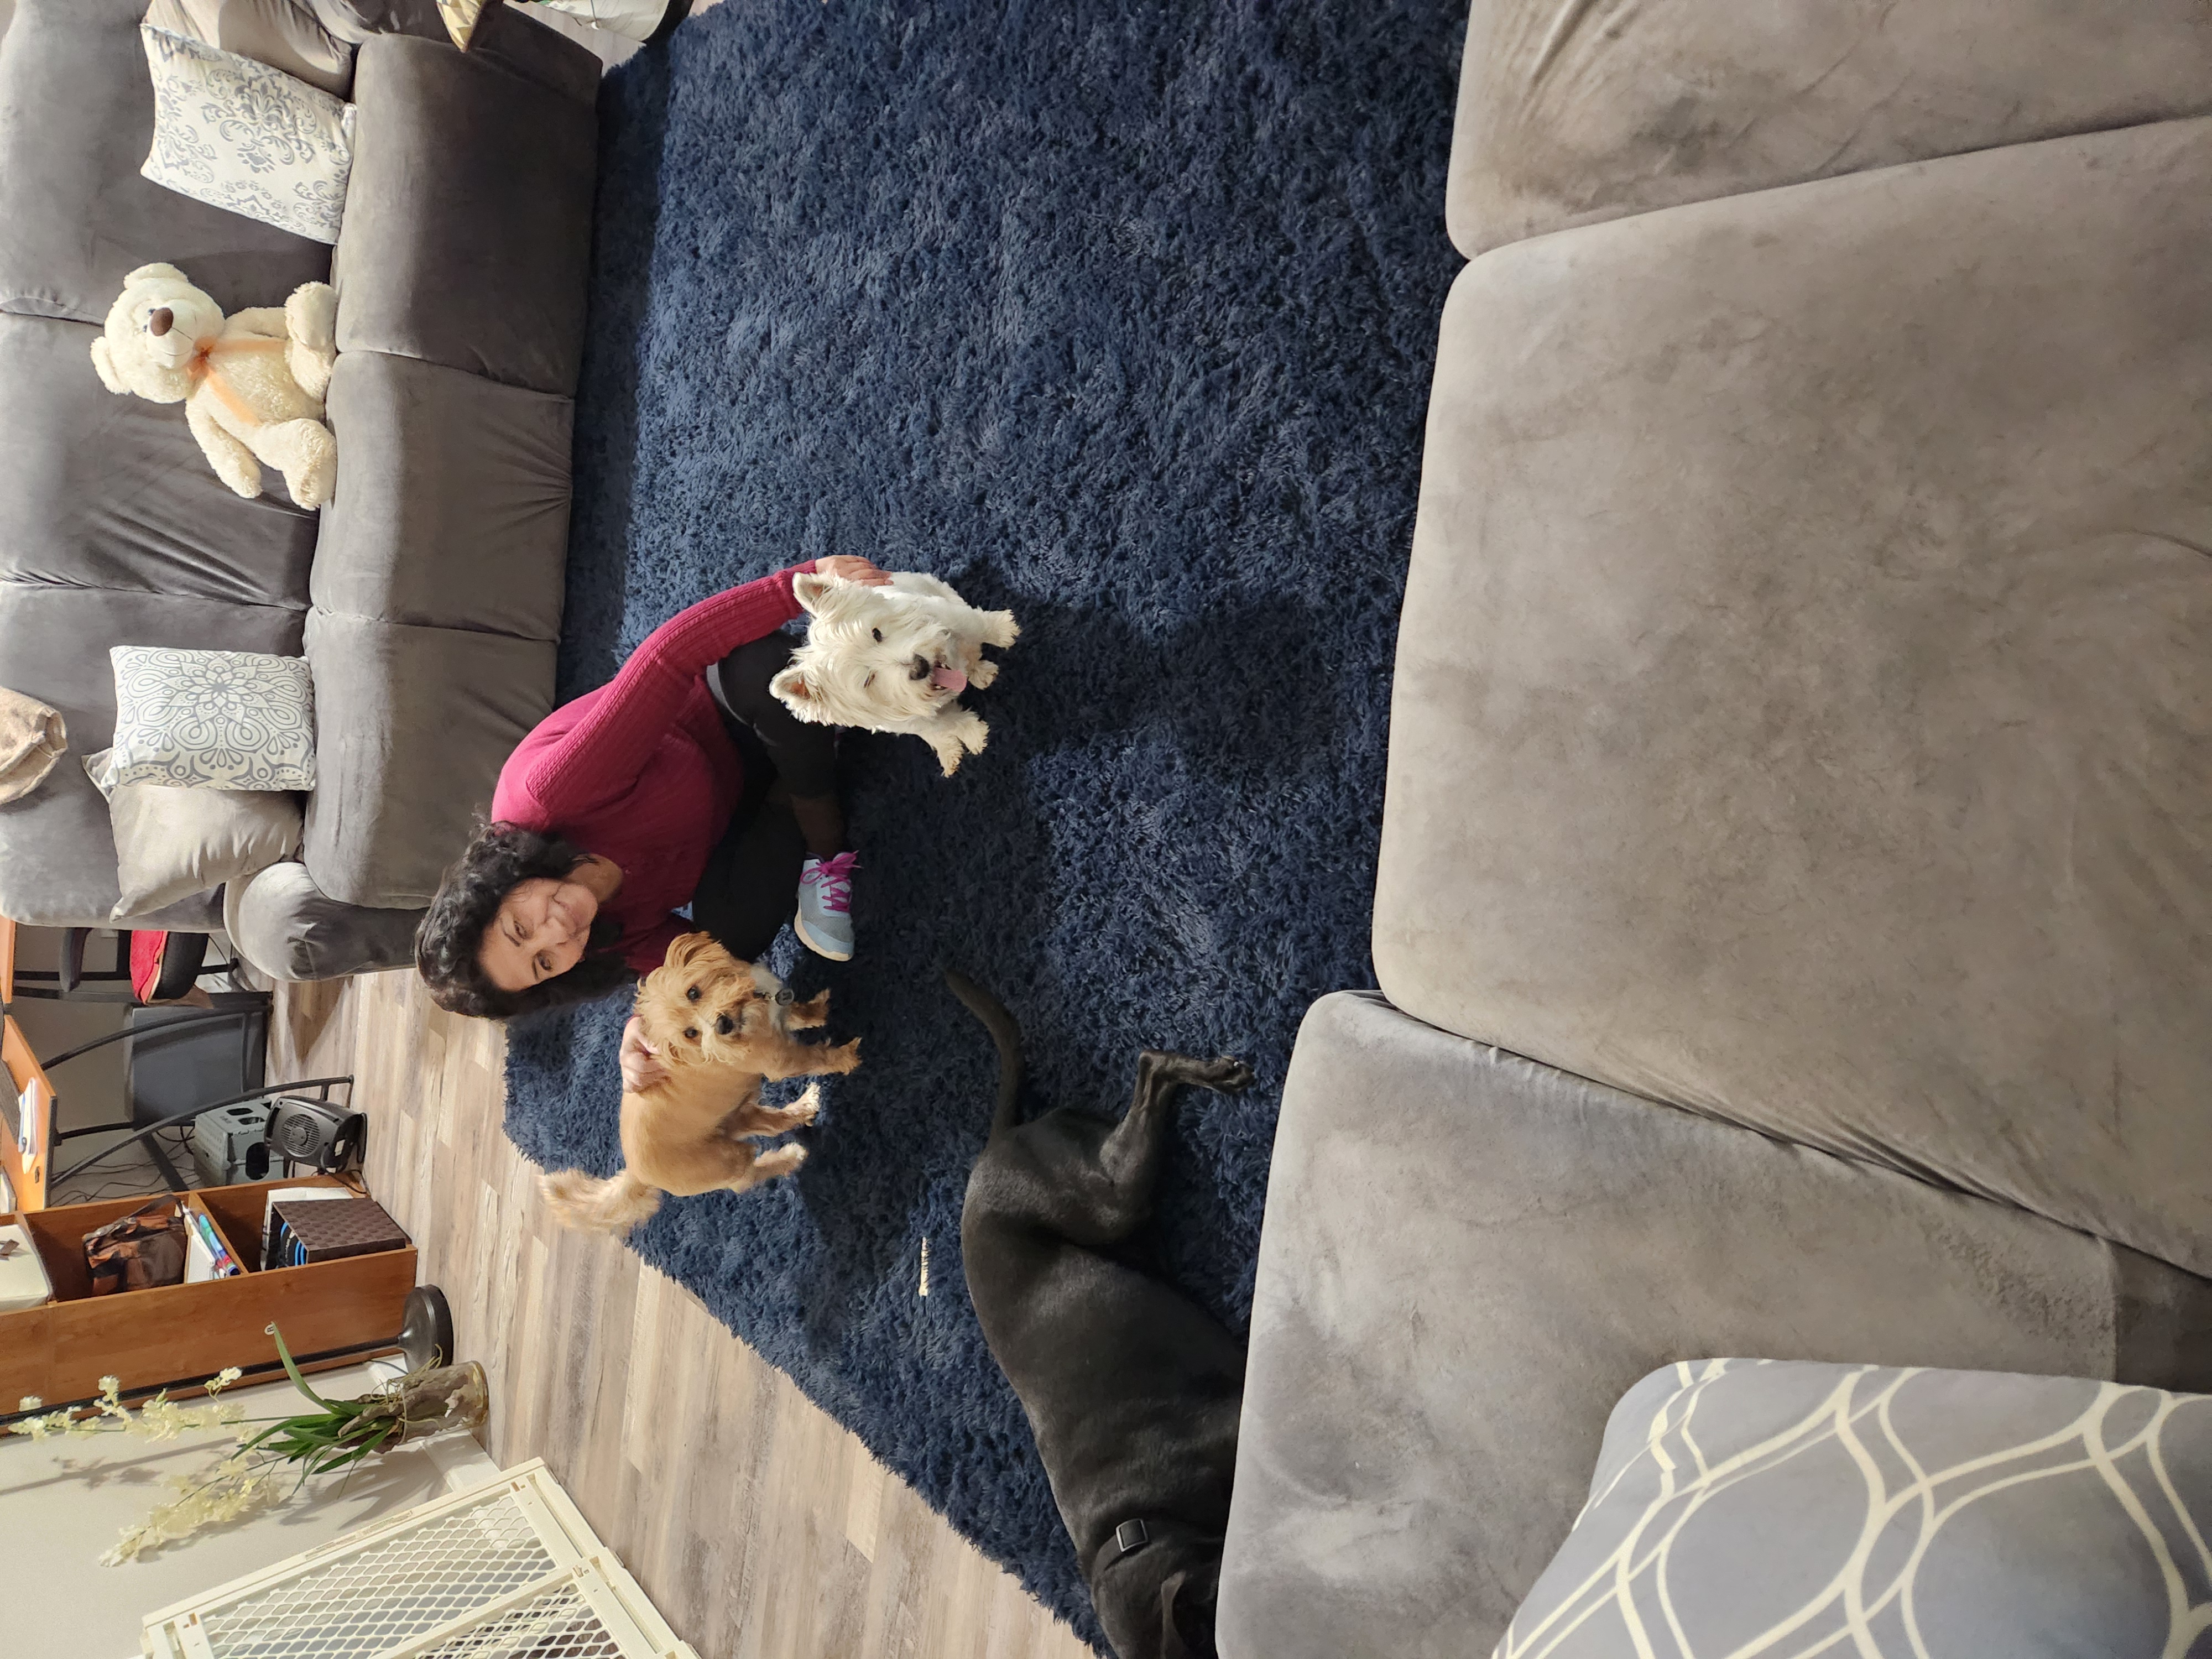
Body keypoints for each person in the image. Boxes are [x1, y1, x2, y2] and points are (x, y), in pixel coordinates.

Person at [414, 557, 893, 1055]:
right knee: (719, 955)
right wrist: (654, 1021)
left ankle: (824, 843)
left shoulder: (549, 794)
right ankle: (807, 767)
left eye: (521, 928)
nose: (556, 933)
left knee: (763, 670)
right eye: (544, 963)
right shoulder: (595, 944)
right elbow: (688, 973)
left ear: (498, 888)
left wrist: (802, 584)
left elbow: (668, 657)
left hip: (723, 710)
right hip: (733, 811)